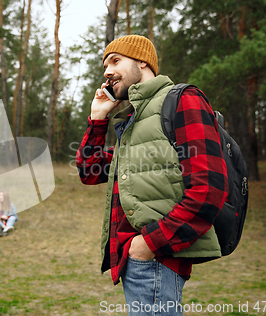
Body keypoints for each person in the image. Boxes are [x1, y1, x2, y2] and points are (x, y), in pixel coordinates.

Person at [76, 35, 228, 316]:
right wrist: (98, 117)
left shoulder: (182, 100)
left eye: (116, 60)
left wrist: (147, 244)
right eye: (105, 65)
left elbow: (209, 189)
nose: (107, 72)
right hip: (137, 258)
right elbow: (90, 170)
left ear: (142, 61)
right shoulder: (134, 120)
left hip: (156, 254)